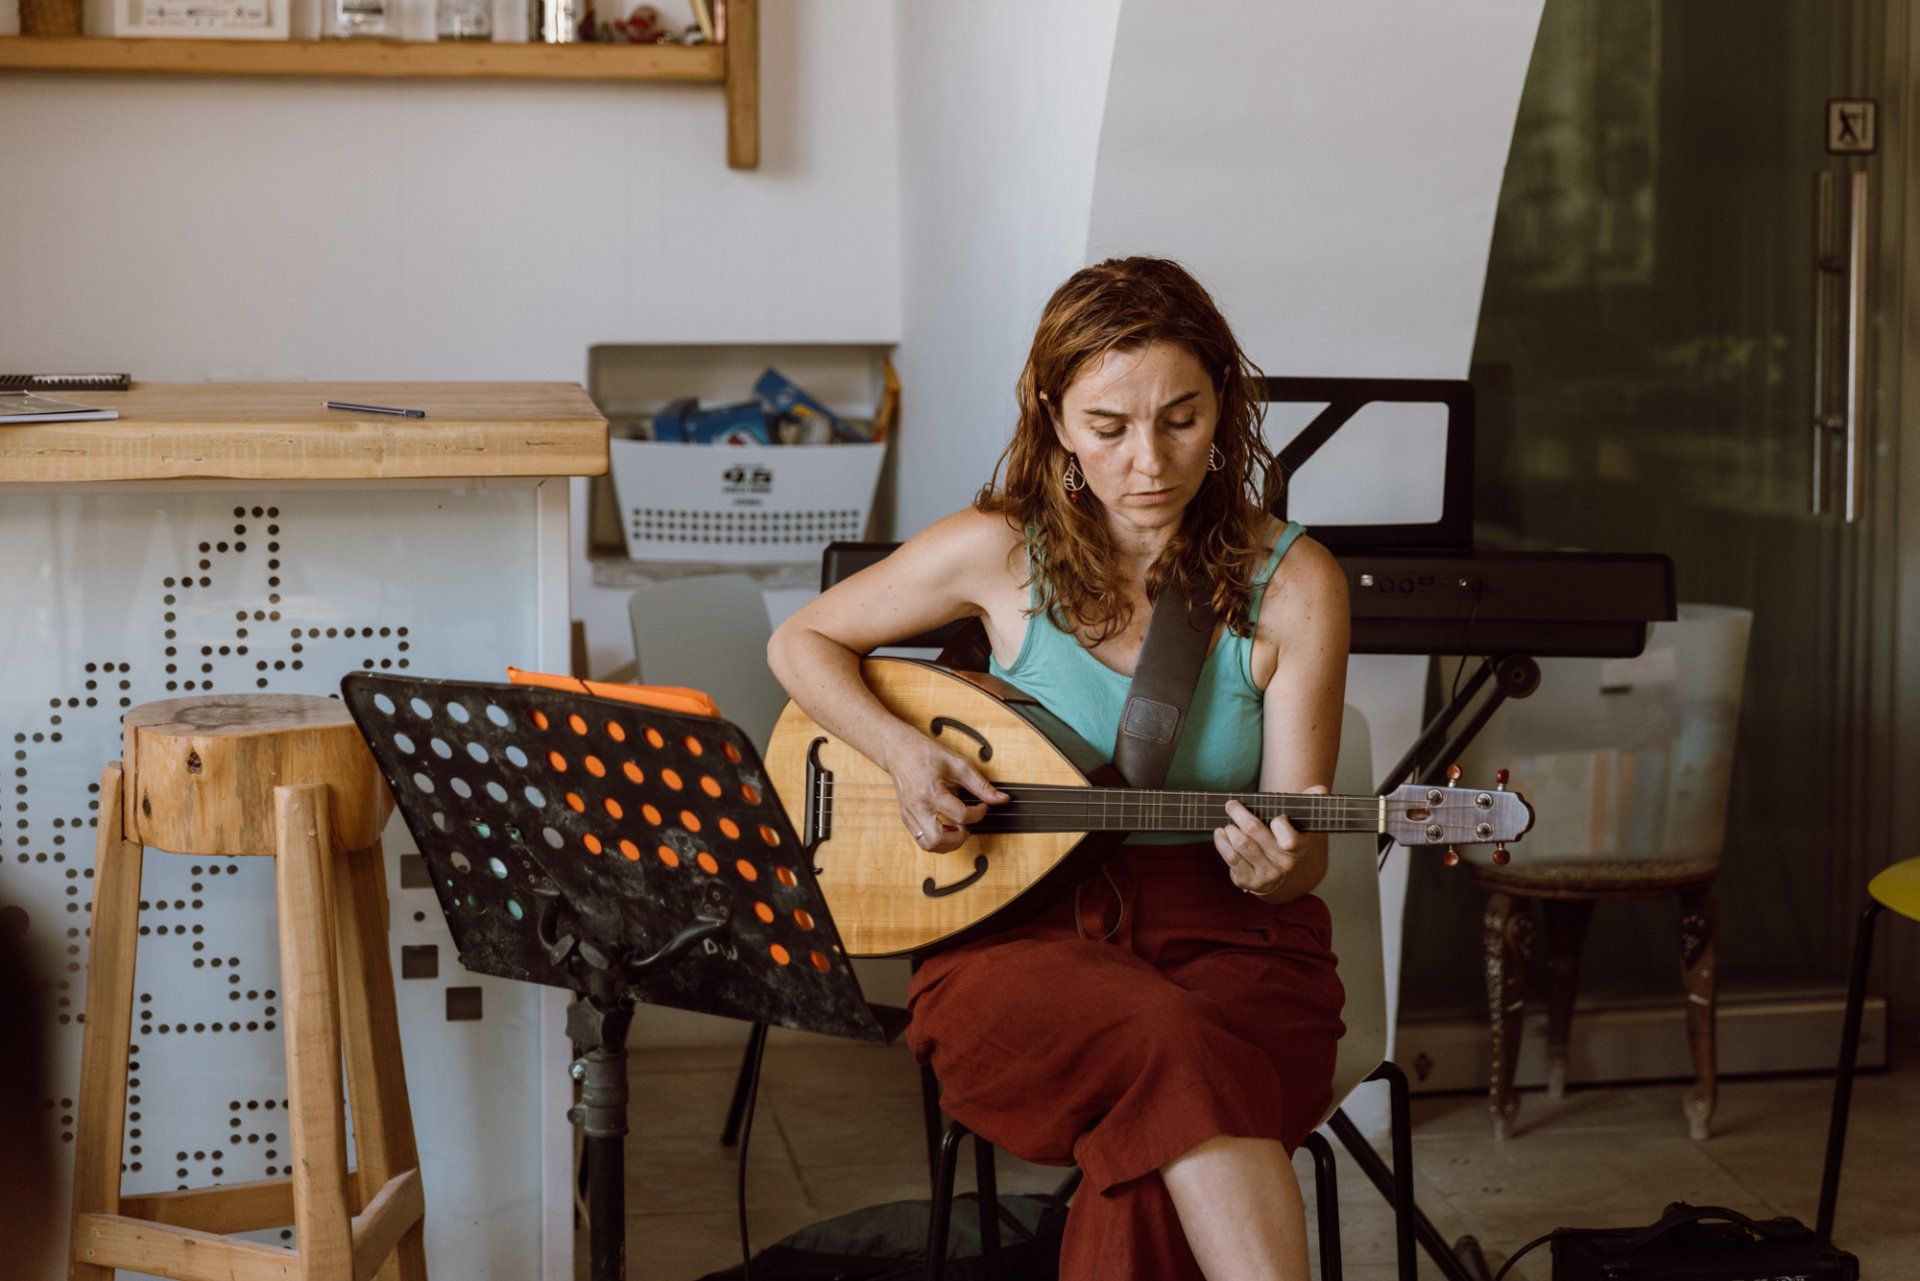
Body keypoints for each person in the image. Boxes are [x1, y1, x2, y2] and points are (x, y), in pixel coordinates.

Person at [768, 256, 1349, 1280]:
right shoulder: (998, 550)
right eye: (1108, 427)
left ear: (1224, 402)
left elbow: (1302, 851)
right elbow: (801, 642)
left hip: (1236, 935)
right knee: (1177, 1053)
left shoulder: (1297, 582)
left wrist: (1283, 867)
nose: (1148, 462)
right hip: (1017, 935)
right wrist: (902, 751)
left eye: (1181, 419)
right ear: (1055, 419)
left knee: (1163, 1127)